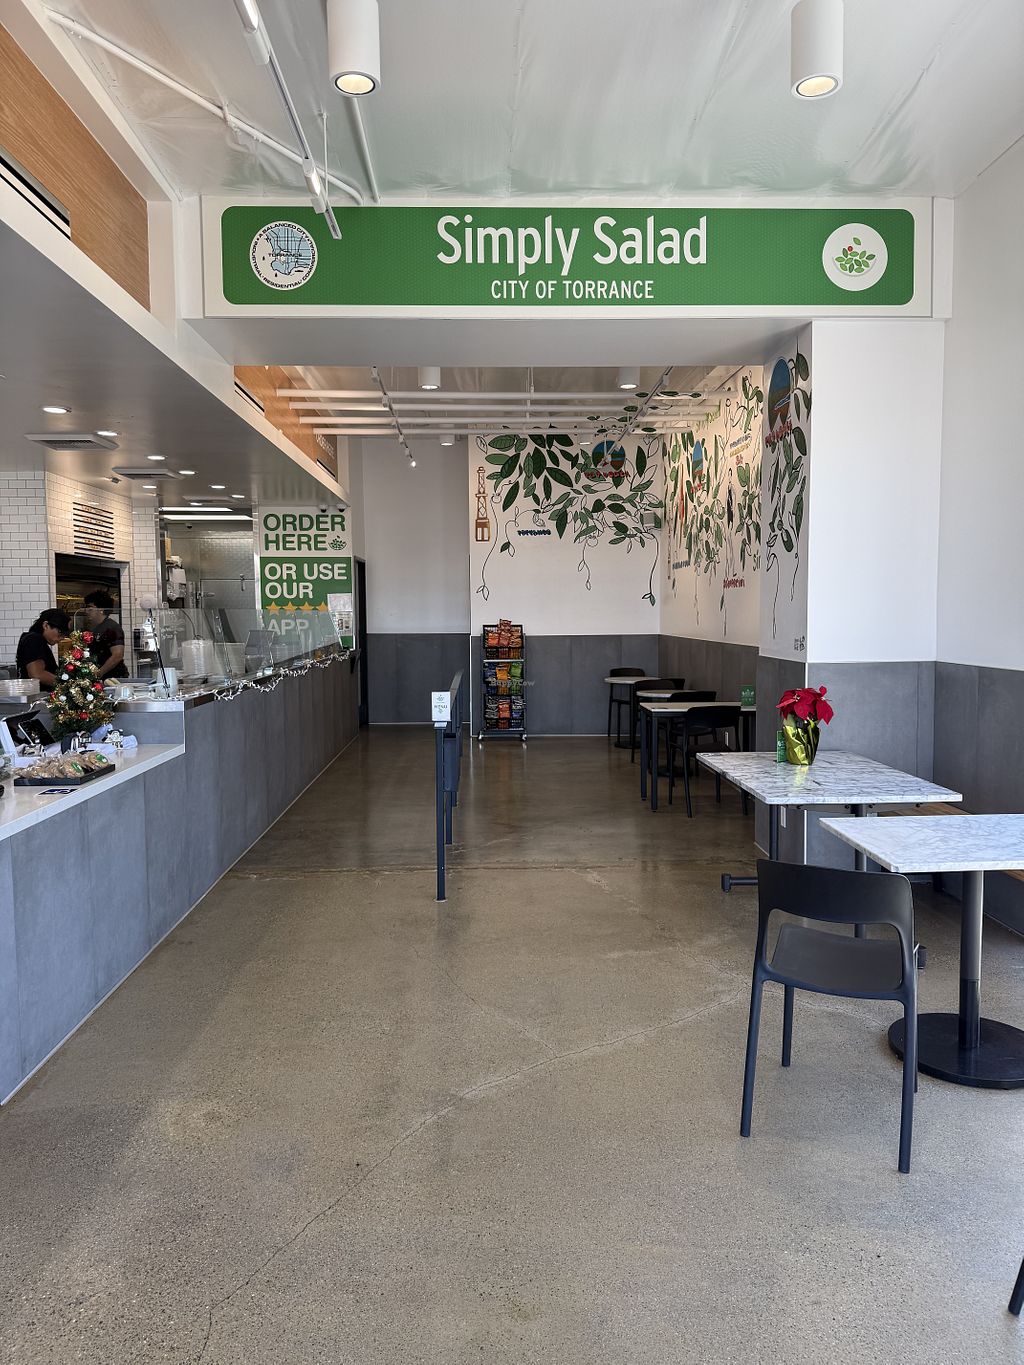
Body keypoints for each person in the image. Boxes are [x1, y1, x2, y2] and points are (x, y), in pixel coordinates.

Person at [16, 609, 70, 691]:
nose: (62, 637)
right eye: (60, 632)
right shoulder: (34, 639)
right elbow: (37, 674)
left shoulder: (31, 638)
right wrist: (67, 684)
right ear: (45, 625)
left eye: (65, 634)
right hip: (38, 695)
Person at [82, 590, 129, 680]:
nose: (86, 611)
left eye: (90, 607)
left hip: (113, 677)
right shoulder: (95, 627)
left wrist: (98, 674)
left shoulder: (112, 627)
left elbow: (117, 655)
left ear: (101, 609)